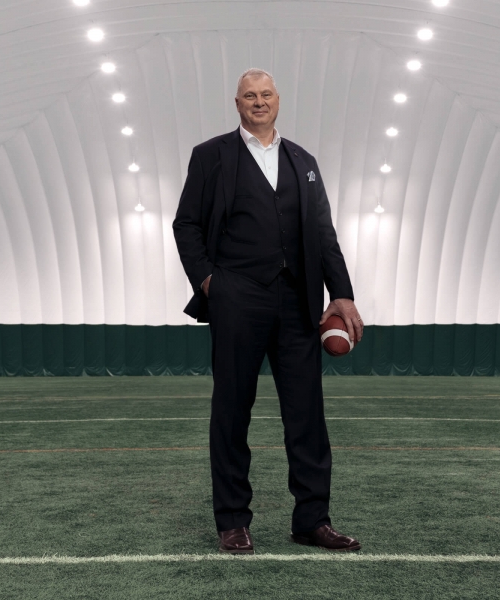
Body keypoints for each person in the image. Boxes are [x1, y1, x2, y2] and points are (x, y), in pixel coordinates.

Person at [172, 68, 364, 554]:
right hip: (237, 297)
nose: (259, 102)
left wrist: (341, 293)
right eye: (250, 96)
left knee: (307, 416)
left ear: (278, 100)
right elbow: (186, 224)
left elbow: (323, 234)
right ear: (237, 103)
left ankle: (312, 520)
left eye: (267, 95)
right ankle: (233, 521)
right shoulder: (211, 155)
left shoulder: (304, 161)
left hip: (299, 302)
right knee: (232, 411)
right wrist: (210, 281)